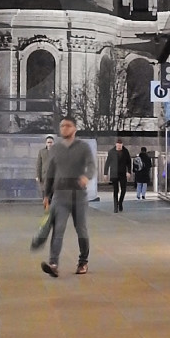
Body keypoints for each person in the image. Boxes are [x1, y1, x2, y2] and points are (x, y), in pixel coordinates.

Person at [41, 116, 94, 278]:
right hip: (60, 196)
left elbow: (91, 165)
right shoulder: (56, 149)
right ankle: (53, 264)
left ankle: (83, 261)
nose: (64, 128)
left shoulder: (83, 147)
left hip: (78, 196)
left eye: (68, 126)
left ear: (75, 129)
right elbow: (50, 173)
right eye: (62, 126)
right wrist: (46, 195)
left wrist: (86, 176)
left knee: (81, 230)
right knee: (58, 229)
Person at [103, 137, 133, 211]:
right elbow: (107, 163)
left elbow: (129, 162)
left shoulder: (125, 152)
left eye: (120, 145)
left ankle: (120, 202)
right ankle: (115, 206)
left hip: (123, 173)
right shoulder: (111, 152)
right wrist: (105, 173)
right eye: (118, 145)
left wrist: (129, 171)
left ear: (122, 145)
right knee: (115, 190)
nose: (119, 146)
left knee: (123, 189)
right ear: (116, 144)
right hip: (114, 173)